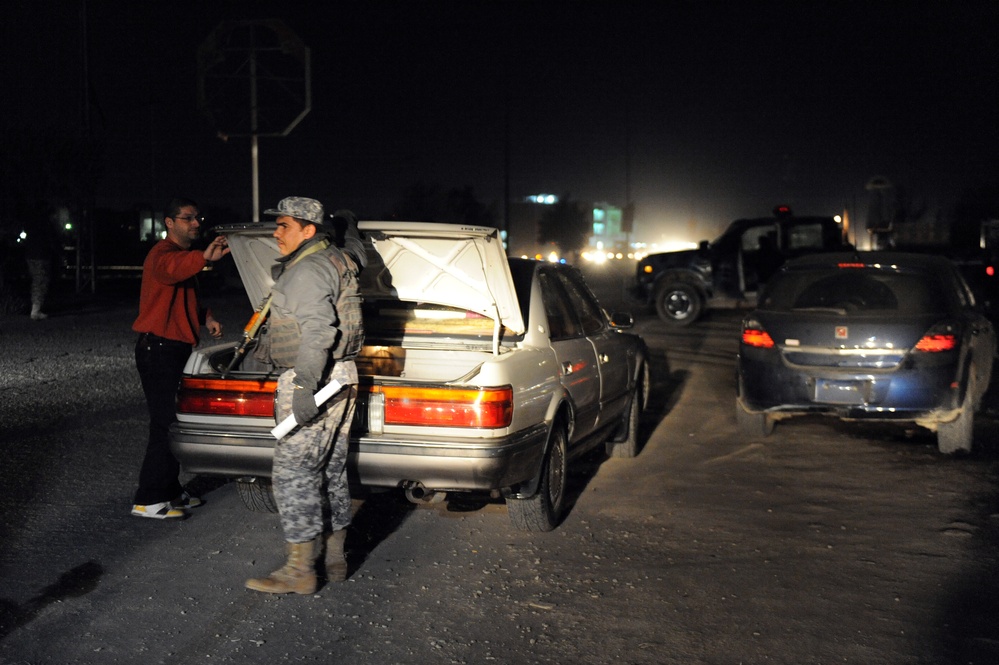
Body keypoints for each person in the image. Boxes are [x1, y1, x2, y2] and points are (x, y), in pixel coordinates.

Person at [246, 197, 364, 595]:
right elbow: (356, 253)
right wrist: (349, 227)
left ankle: (300, 570)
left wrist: (303, 386)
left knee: (293, 472)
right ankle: (333, 558)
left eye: (284, 226)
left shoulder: (308, 270)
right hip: (342, 375)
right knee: (330, 469)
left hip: (314, 376)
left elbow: (319, 331)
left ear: (308, 230)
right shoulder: (337, 258)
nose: (276, 233)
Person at [131, 198, 230, 519]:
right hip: (158, 349)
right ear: (169, 223)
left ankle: (170, 491)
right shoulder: (161, 255)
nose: (196, 223)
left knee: (174, 422)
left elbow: (185, 293)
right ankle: (148, 499)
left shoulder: (182, 258)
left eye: (197, 218)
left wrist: (207, 317)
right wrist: (203, 256)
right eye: (187, 218)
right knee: (165, 424)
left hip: (171, 348)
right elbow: (172, 272)